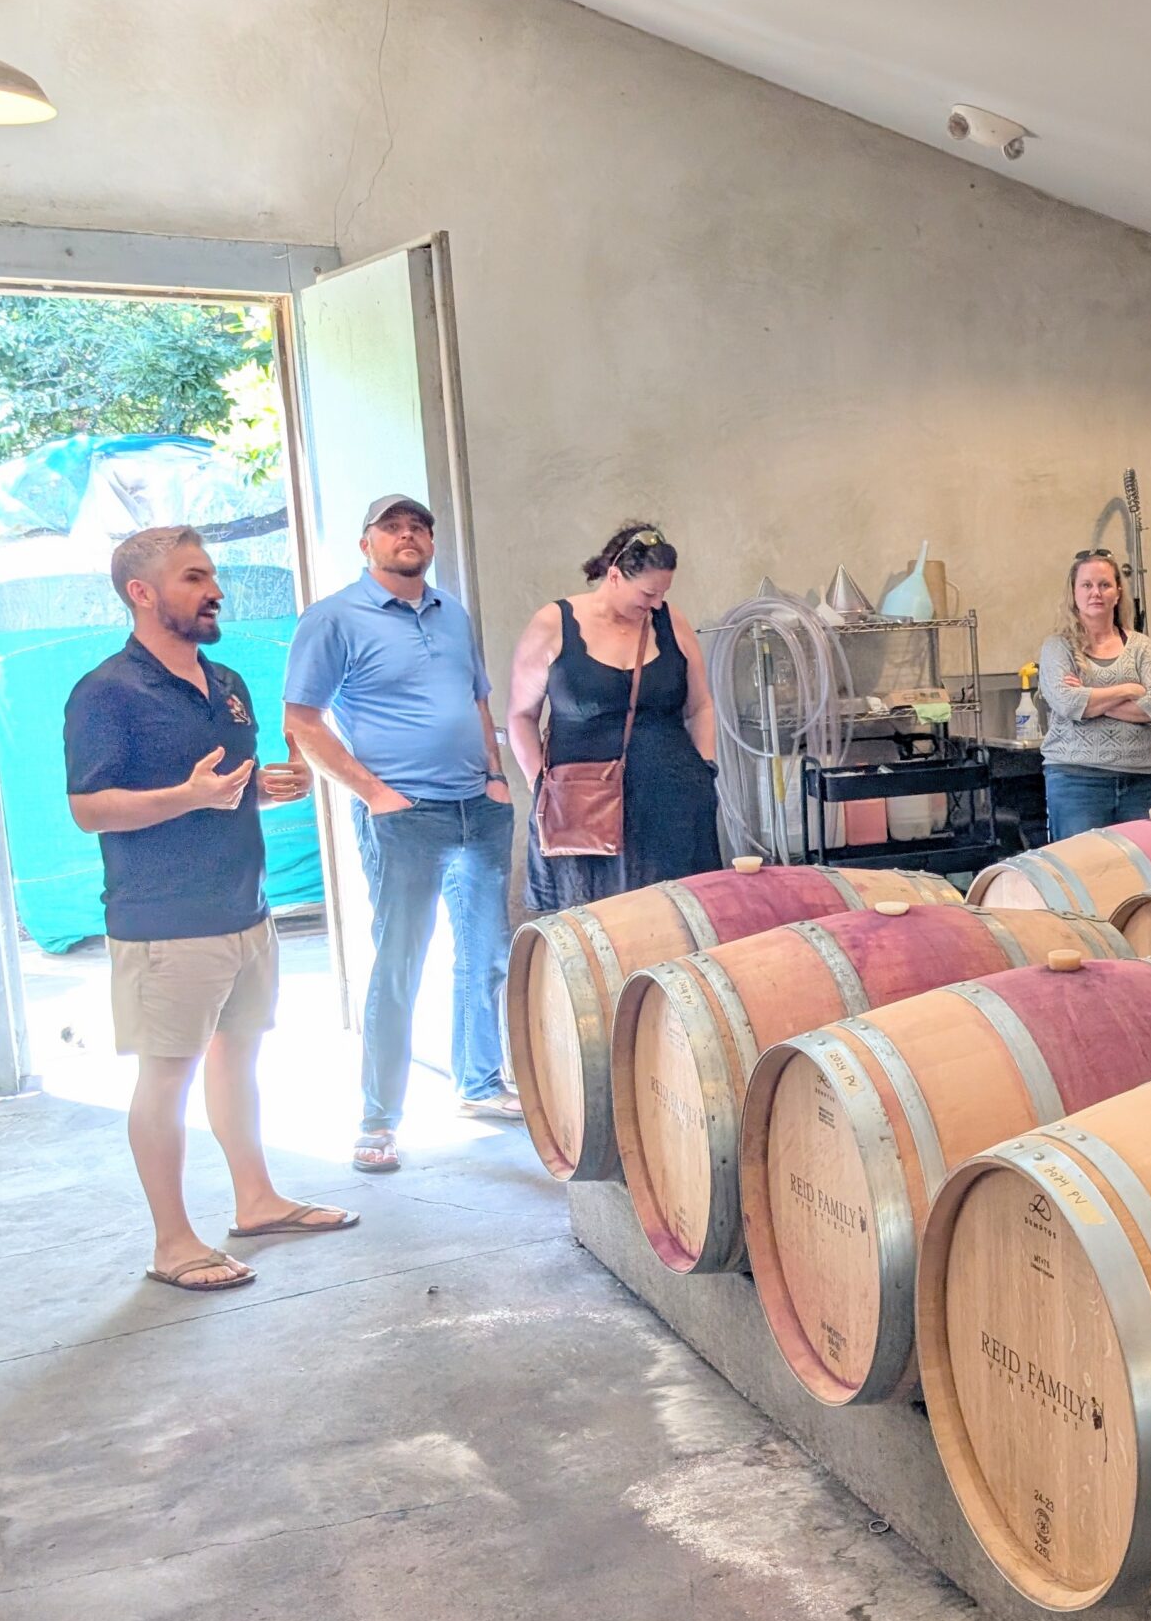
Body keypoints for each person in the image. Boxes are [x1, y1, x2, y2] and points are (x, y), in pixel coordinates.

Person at [64, 525, 352, 1292]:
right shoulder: (105, 693)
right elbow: (90, 808)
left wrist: (261, 789)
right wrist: (186, 797)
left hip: (245, 909)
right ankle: (172, 1243)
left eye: (212, 575)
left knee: (241, 1059)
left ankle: (256, 1201)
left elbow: (223, 787)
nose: (214, 589)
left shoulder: (225, 682)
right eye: (194, 577)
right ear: (142, 592)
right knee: (167, 1079)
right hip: (164, 922)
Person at [284, 495, 518, 1175]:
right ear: (367, 545)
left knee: (486, 953)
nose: (408, 535)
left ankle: (478, 1084)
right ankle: (378, 1119)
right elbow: (302, 721)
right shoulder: (333, 619)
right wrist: (375, 795)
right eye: (392, 527)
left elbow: (478, 700)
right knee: (399, 964)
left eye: (419, 526)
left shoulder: (453, 614)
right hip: (403, 818)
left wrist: (497, 777)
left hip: (479, 806)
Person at [504, 522, 722, 909]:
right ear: (615, 576)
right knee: (594, 926)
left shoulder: (671, 622)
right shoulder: (554, 624)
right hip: (583, 812)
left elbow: (701, 705)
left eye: (664, 593)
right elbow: (521, 716)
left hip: (674, 806)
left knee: (680, 922)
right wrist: (541, 786)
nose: (656, 604)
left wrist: (706, 769)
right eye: (648, 593)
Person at [1037, 548, 1151, 839]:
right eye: (1086, 585)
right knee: (1081, 873)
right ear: (1074, 593)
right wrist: (1128, 690)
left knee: (1141, 874)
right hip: (1077, 781)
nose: (1095, 592)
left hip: (1141, 781)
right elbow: (1067, 702)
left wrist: (1090, 698)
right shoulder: (1058, 647)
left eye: (1104, 585)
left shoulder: (1141, 646)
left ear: (1118, 592)